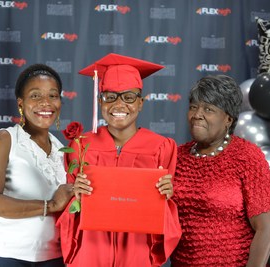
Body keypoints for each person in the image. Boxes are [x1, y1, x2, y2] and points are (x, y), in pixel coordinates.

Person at [56, 53, 182, 266]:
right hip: (91, 250)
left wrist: (166, 196)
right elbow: (68, 206)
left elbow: (164, 213)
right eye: (110, 96)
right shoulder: (80, 146)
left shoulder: (162, 147)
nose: (119, 104)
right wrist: (74, 193)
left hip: (137, 250)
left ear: (140, 103)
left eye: (129, 97)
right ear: (100, 101)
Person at [171, 75, 270, 266]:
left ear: (228, 118)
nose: (197, 114)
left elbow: (267, 227)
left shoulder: (247, 156)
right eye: (193, 107)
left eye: (208, 109)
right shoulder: (176, 157)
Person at [0, 64, 74, 267]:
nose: (45, 103)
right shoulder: (5, 139)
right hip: (5, 256)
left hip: (53, 257)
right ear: (21, 103)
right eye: (36, 96)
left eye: (53, 95)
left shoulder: (61, 150)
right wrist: (52, 205)